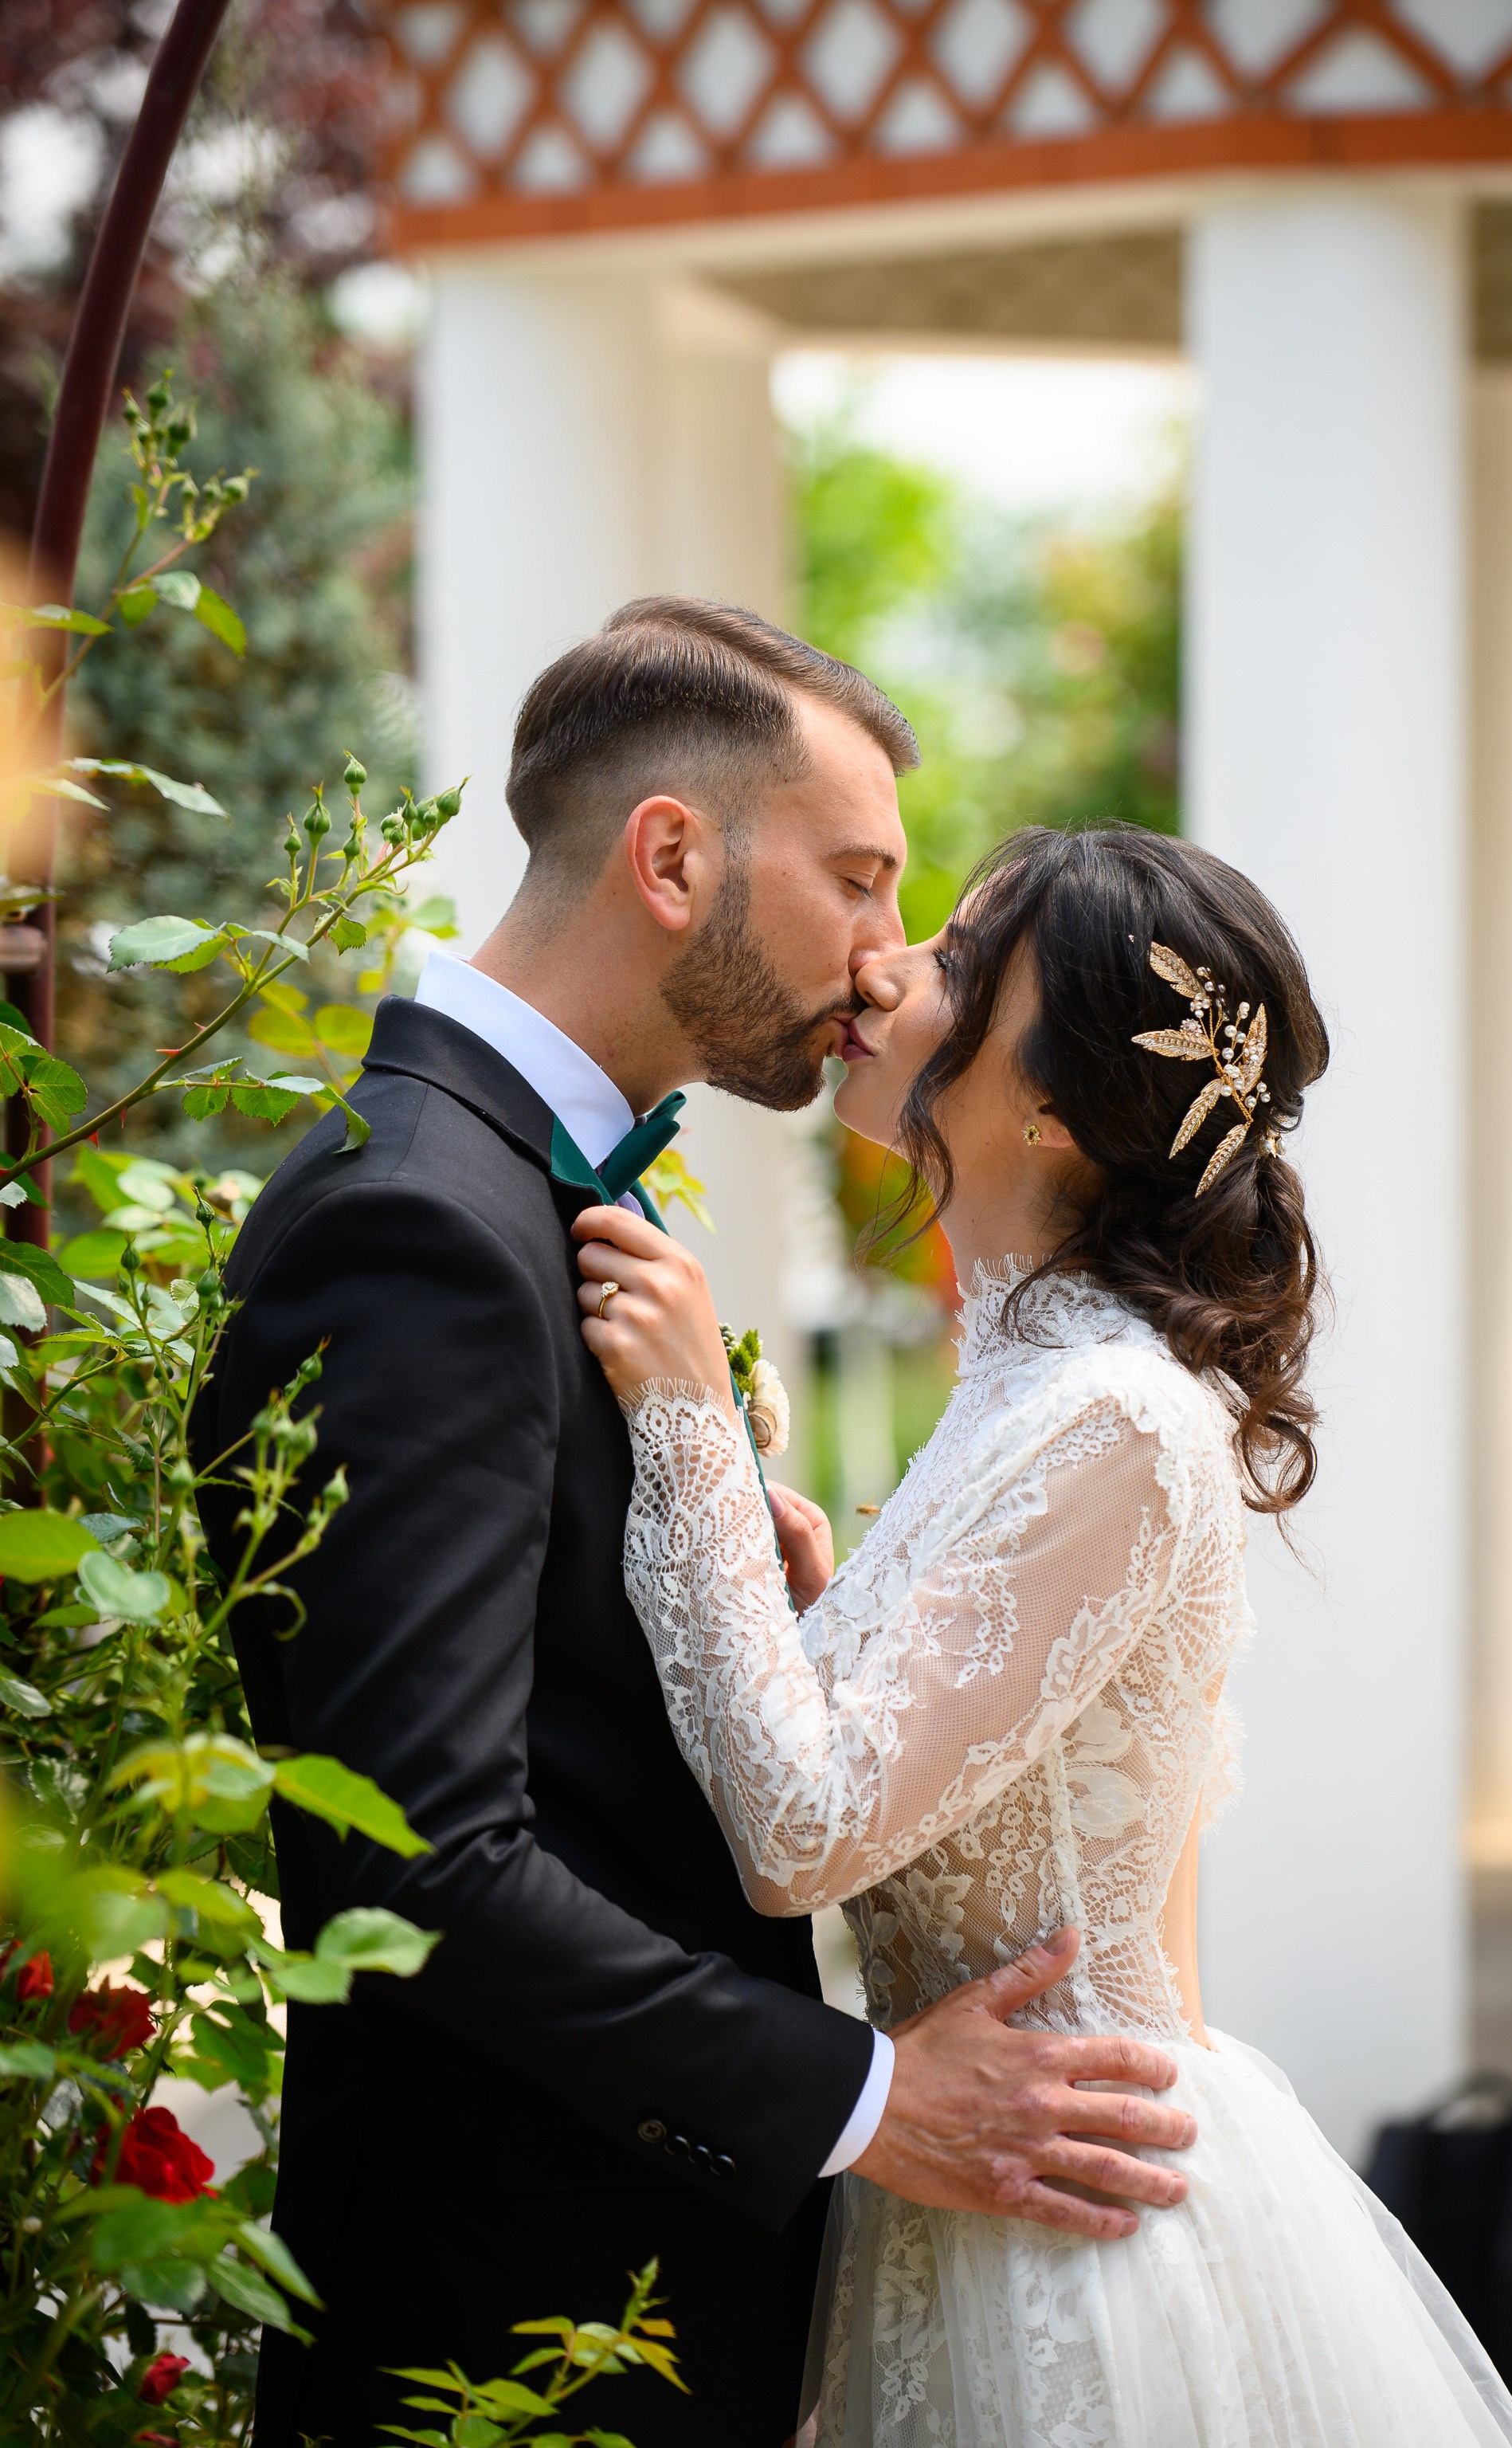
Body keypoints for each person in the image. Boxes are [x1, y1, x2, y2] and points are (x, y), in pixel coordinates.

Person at [191, 603, 1197, 2448]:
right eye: (859, 880)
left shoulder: (530, 1201)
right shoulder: (418, 1225)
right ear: (672, 857)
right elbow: (412, 1864)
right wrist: (864, 2100)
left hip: (643, 2301)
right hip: (504, 2321)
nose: (889, 962)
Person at [573, 823, 1512, 2446]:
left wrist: (680, 1434)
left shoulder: (1109, 1417)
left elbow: (801, 1834)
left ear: (1053, 1105)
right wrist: (790, 1594)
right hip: (966, 2172)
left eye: (955, 959)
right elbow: (937, 1775)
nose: (884, 966)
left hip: (1064, 2225)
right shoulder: (1027, 1383)